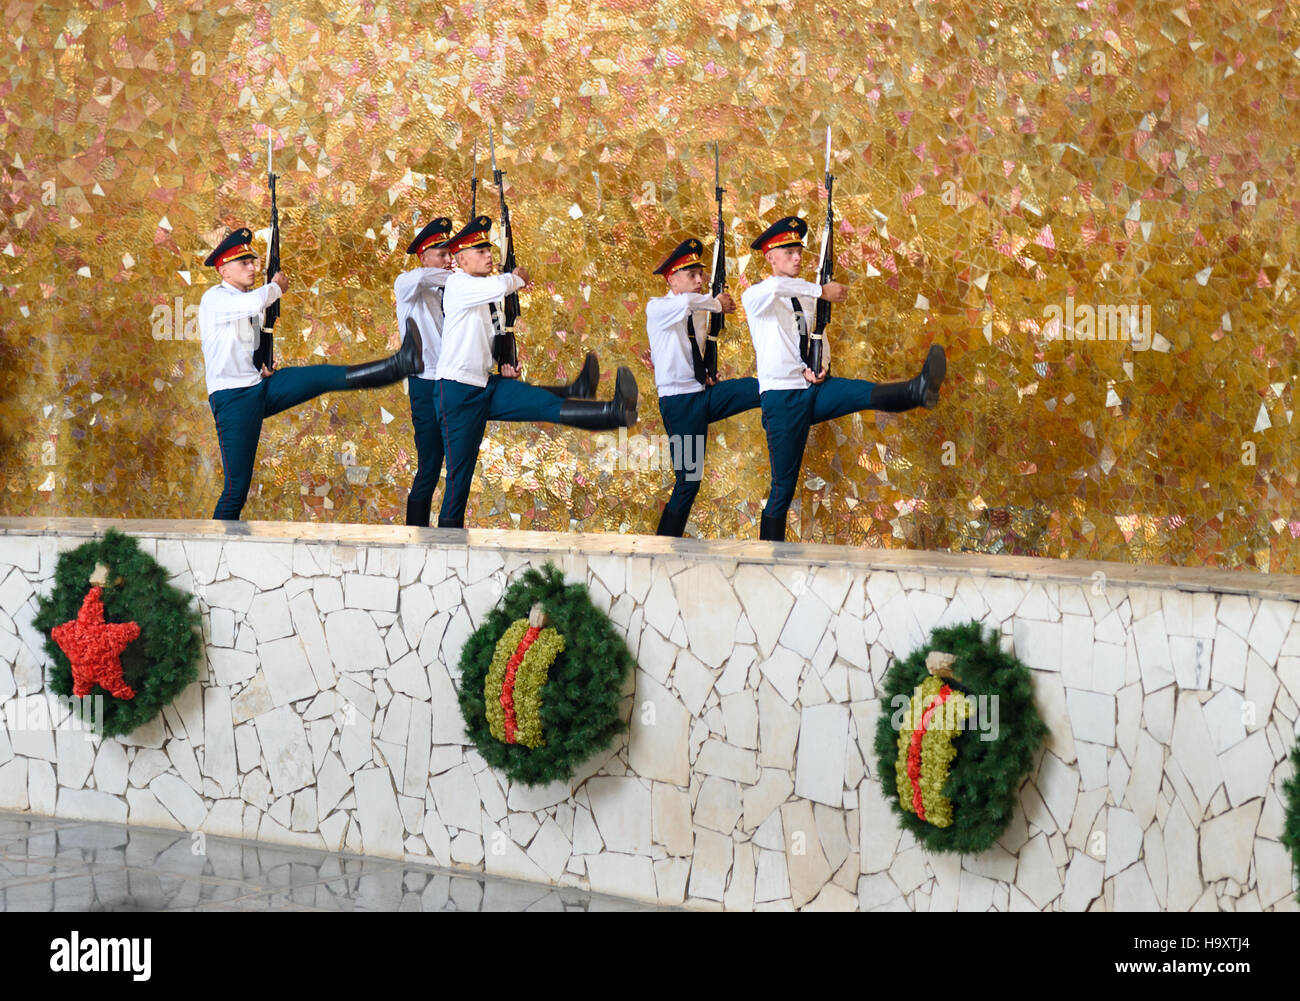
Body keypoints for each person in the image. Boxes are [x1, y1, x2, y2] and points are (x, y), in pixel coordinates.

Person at [741, 215, 946, 542]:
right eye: (789, 252)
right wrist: (821, 289)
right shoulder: (757, 296)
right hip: (781, 400)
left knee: (861, 392)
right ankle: (769, 558)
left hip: (811, 389)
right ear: (770, 257)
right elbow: (778, 287)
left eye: (799, 252)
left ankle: (917, 391)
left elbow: (816, 337)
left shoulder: (808, 295)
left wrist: (820, 366)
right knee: (783, 489)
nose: (797, 257)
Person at [200, 227, 422, 520]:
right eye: (245, 263)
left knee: (321, 377)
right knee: (235, 490)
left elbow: (243, 341)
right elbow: (254, 303)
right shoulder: (215, 298)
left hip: (258, 386)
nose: (253, 267)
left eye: (253, 261)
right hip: (234, 400)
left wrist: (259, 366)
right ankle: (215, 557)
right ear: (224, 271)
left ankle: (398, 366)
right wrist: (276, 286)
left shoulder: (243, 299)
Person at [434, 215, 638, 529]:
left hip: (485, 384)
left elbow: (480, 337)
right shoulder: (459, 284)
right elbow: (503, 284)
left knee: (543, 404)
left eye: (489, 250)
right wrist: (517, 277)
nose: (489, 255)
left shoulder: (481, 292)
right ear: (461, 260)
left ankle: (612, 412)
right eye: (480, 251)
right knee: (460, 477)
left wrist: (502, 366)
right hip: (457, 392)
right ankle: (447, 542)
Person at [397, 216, 600, 527]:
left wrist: (500, 360)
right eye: (442, 253)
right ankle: (414, 536)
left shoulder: (463, 285)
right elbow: (428, 278)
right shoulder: (413, 283)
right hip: (428, 384)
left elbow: (479, 336)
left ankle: (575, 392)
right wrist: (473, 270)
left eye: (451, 253)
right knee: (430, 466)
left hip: (463, 379)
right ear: (423, 256)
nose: (448, 259)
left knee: (516, 395)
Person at [645, 237, 758, 537]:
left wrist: (705, 374)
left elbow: (687, 350)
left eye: (701, 274)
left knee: (759, 388)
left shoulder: (697, 312)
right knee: (688, 482)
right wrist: (717, 303)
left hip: (702, 395)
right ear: (672, 279)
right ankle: (664, 544)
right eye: (690, 275)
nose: (698, 280)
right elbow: (685, 303)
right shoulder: (659, 307)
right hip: (679, 405)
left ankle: (797, 396)